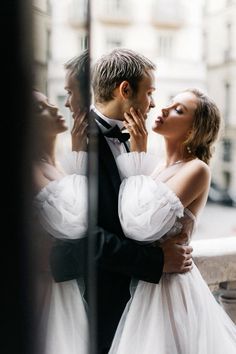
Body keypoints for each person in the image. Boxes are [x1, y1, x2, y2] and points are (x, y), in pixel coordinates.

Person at [50, 48, 193, 353]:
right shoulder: (78, 143)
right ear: (125, 90)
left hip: (134, 301)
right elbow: (87, 235)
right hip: (97, 300)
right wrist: (157, 260)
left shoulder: (134, 139)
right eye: (150, 92)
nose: (153, 103)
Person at [108, 88, 236, 353]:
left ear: (192, 131)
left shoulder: (197, 169)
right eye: (169, 103)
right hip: (148, 283)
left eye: (179, 110)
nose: (164, 109)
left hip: (170, 291)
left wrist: (138, 151)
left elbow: (141, 227)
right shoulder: (157, 167)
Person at [32, 90, 88, 354]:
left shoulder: (59, 168)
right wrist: (78, 152)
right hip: (44, 293)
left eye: (50, 102)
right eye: (40, 108)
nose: (55, 108)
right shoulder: (29, 169)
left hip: (67, 289)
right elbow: (72, 222)